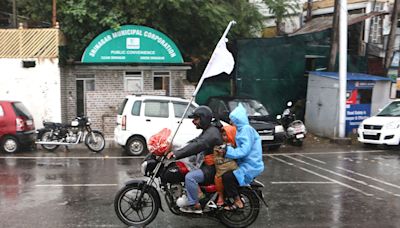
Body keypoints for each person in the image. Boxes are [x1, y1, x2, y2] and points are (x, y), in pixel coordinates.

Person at [167, 106, 223, 214]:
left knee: (190, 177)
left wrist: (177, 154)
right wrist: (176, 148)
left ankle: (194, 205)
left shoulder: (212, 133)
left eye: (196, 119)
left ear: (204, 118)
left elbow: (198, 145)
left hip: (212, 168)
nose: (194, 122)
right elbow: (195, 141)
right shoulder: (208, 130)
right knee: (184, 168)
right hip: (207, 165)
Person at [222, 103, 264, 210]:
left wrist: (228, 151)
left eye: (232, 120)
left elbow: (244, 151)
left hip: (250, 165)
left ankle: (237, 201)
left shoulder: (246, 129)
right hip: (246, 163)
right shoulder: (242, 130)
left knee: (227, 177)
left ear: (238, 119)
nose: (231, 122)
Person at [214, 125, 238, 206]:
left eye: (227, 135)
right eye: (223, 135)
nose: (225, 137)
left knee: (218, 177)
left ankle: (221, 196)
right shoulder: (220, 145)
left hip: (229, 168)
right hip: (223, 167)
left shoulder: (234, 145)